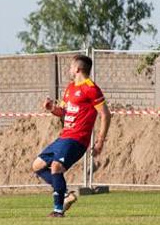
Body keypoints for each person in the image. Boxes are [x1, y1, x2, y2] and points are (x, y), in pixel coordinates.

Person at [32, 55, 111, 218]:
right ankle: (66, 194)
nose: (69, 69)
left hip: (77, 138)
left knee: (56, 167)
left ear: (77, 69)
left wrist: (100, 141)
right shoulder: (70, 87)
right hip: (64, 136)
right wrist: (51, 108)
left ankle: (58, 210)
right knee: (37, 166)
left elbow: (105, 114)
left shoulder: (91, 88)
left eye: (70, 67)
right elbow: (63, 112)